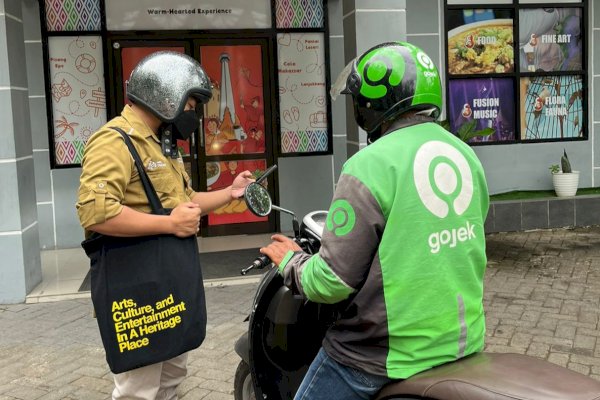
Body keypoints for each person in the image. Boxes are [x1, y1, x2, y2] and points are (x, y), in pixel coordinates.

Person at [260, 42, 490, 400]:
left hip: (380, 357)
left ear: (371, 103)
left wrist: (291, 261)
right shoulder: (464, 154)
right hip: (462, 342)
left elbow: (331, 281)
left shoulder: (368, 165)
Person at [76, 51, 254, 400]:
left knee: (172, 375)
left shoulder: (162, 143)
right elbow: (96, 213)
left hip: (168, 282)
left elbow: (185, 200)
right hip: (136, 287)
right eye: (190, 103)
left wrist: (229, 192)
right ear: (166, 94)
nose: (193, 112)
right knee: (138, 388)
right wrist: (169, 223)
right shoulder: (114, 141)